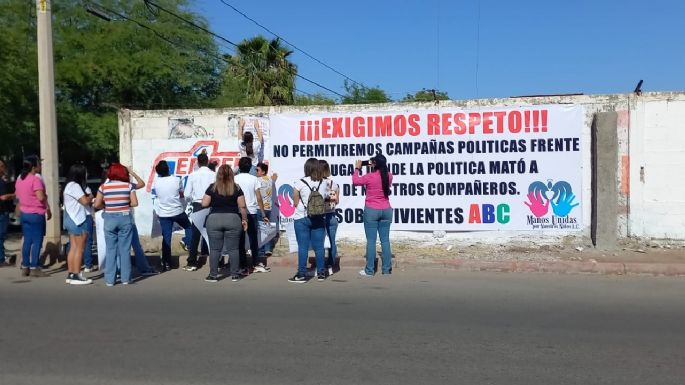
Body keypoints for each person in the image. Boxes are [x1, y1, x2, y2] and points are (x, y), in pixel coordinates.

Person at [202, 165, 248, 282]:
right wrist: (244, 220)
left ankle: (213, 275)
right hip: (233, 219)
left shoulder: (212, 187)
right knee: (234, 249)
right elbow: (242, 206)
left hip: (214, 219)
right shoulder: (236, 188)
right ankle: (235, 274)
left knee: (215, 249)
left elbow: (204, 204)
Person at [94, 163, 137, 286]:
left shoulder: (103, 187)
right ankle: (126, 278)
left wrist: (107, 206)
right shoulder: (128, 186)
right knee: (125, 250)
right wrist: (123, 205)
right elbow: (134, 203)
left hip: (109, 218)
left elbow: (96, 204)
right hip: (124, 218)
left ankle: (110, 280)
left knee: (111, 249)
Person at [288, 157, 329, 283]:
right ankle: (321, 272)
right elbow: (326, 198)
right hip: (319, 217)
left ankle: (301, 274)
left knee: (303, 247)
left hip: (302, 217)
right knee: (319, 247)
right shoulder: (324, 182)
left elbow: (295, 202)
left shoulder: (300, 183)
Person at [353, 152, 394, 276]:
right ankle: (386, 269)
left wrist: (357, 169)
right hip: (386, 209)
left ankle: (369, 270)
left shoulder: (369, 176)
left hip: (372, 209)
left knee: (371, 241)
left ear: (374, 164)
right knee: (385, 241)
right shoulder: (389, 175)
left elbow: (355, 181)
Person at [14, 155, 51, 277]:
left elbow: (18, 196)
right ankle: (35, 266)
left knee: (27, 241)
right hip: (36, 213)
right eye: (39, 164)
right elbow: (40, 197)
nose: (40, 166)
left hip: (24, 213)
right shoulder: (35, 180)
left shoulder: (20, 179)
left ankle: (25, 266)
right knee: (37, 241)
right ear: (34, 166)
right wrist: (46, 198)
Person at [152, 160, 192, 271]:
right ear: (168, 169)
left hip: (164, 213)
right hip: (177, 211)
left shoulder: (156, 182)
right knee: (189, 227)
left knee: (166, 238)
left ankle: (166, 263)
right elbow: (181, 194)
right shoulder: (176, 180)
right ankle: (189, 245)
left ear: (158, 172)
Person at [234, 157, 270, 273]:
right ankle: (255, 262)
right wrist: (263, 213)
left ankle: (243, 265)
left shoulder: (234, 179)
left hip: (238, 212)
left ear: (239, 167)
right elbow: (259, 197)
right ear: (250, 167)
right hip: (252, 212)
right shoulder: (254, 179)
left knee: (240, 240)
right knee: (253, 239)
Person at [182, 152, 214, 271]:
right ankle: (218, 261)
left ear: (198, 163)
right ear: (207, 161)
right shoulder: (214, 175)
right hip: (212, 204)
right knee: (214, 233)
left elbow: (186, 195)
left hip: (198, 204)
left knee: (195, 235)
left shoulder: (193, 175)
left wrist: (192, 200)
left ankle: (192, 262)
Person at [62, 164, 93, 285]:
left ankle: (71, 273)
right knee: (80, 248)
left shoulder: (69, 185)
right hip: (78, 220)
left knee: (73, 247)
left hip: (70, 219)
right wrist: (90, 197)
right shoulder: (75, 186)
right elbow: (85, 201)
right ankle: (76, 274)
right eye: (85, 172)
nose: (87, 174)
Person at [319, 160, 340, 276]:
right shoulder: (334, 184)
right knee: (332, 242)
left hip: (320, 215)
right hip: (332, 215)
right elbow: (337, 201)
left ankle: (321, 265)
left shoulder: (316, 183)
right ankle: (331, 265)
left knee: (320, 242)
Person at [255, 162, 277, 259]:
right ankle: (268, 248)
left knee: (260, 230)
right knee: (266, 228)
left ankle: (261, 251)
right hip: (269, 207)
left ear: (263, 172)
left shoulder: (257, 180)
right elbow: (274, 179)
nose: (256, 172)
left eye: (257, 170)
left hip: (260, 207)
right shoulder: (270, 180)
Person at [0, 159, 16, 267]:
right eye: (1, 166)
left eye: (3, 166)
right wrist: (13, 195)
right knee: (1, 235)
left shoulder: (3, 181)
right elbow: (3, 197)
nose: (3, 168)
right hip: (2, 212)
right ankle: (1, 259)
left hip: (3, 211)